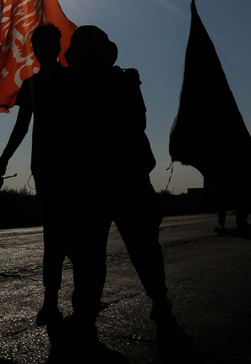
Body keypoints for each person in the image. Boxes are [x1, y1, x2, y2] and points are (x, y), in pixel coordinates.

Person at [63, 26, 173, 328]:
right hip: (95, 182)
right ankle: (86, 305)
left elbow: (137, 121)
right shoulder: (75, 86)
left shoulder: (121, 81)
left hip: (124, 178)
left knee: (140, 247)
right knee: (91, 252)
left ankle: (158, 298)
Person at [0, 24, 71, 325]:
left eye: (48, 43)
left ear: (57, 46)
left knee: (63, 236)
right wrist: (3, 159)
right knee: (55, 237)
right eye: (37, 44)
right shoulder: (31, 85)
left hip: (73, 167)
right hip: (44, 168)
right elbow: (21, 127)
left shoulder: (71, 79)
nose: (42, 49)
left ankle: (72, 294)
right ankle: (51, 301)